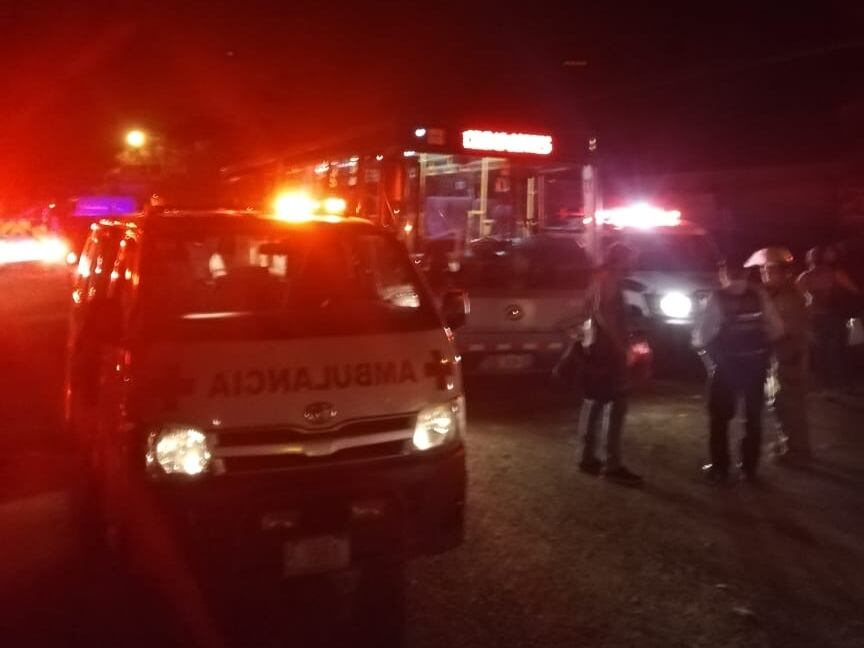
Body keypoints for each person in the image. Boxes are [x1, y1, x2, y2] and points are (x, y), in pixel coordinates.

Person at [693, 256, 783, 482]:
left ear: (724, 274)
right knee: (753, 418)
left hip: (727, 367)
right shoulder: (759, 296)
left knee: (720, 418)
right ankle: (749, 469)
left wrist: (707, 355)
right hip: (756, 366)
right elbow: (776, 329)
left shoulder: (717, 298)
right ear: (745, 274)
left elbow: (703, 335)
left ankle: (720, 467)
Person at [578, 242, 643, 486]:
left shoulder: (599, 277)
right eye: (632, 258)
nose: (635, 263)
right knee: (617, 405)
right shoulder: (609, 279)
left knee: (594, 400)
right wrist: (619, 345)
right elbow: (603, 314)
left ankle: (587, 457)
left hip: (596, 348)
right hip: (608, 351)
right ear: (621, 259)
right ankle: (612, 464)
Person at [745, 247, 812, 466]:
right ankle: (792, 445)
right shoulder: (779, 294)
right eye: (763, 270)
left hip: (788, 356)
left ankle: (796, 451)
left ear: (783, 273)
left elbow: (784, 331)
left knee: (788, 404)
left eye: (770, 270)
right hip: (782, 356)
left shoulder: (789, 298)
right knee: (783, 403)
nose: (764, 274)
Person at [796, 246, 860, 392]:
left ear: (809, 260)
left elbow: (797, 298)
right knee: (836, 350)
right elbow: (855, 290)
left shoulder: (805, 277)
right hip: (834, 316)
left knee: (820, 350)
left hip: (814, 318)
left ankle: (823, 384)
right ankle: (840, 382)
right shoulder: (835, 273)